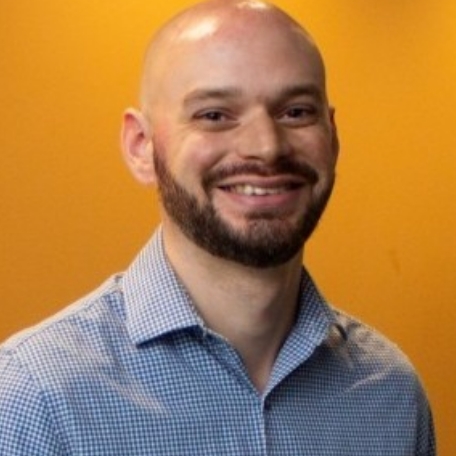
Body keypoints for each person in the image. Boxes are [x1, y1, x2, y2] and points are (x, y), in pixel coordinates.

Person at [0, 0, 436, 454]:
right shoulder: (35, 398)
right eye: (214, 115)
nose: (266, 147)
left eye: (295, 112)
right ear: (141, 146)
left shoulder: (392, 395)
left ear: (332, 137)